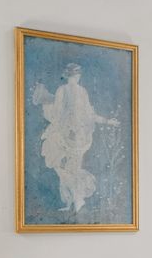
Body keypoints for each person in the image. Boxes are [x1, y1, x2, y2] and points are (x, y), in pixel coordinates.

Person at [31, 61, 118, 215]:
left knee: (65, 167)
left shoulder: (72, 91)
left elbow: (75, 114)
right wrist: (106, 121)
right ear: (73, 76)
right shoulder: (72, 90)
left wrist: (106, 121)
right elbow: (77, 114)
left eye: (76, 75)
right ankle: (72, 201)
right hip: (72, 134)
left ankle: (76, 199)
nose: (75, 78)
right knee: (66, 167)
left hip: (72, 135)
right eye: (74, 75)